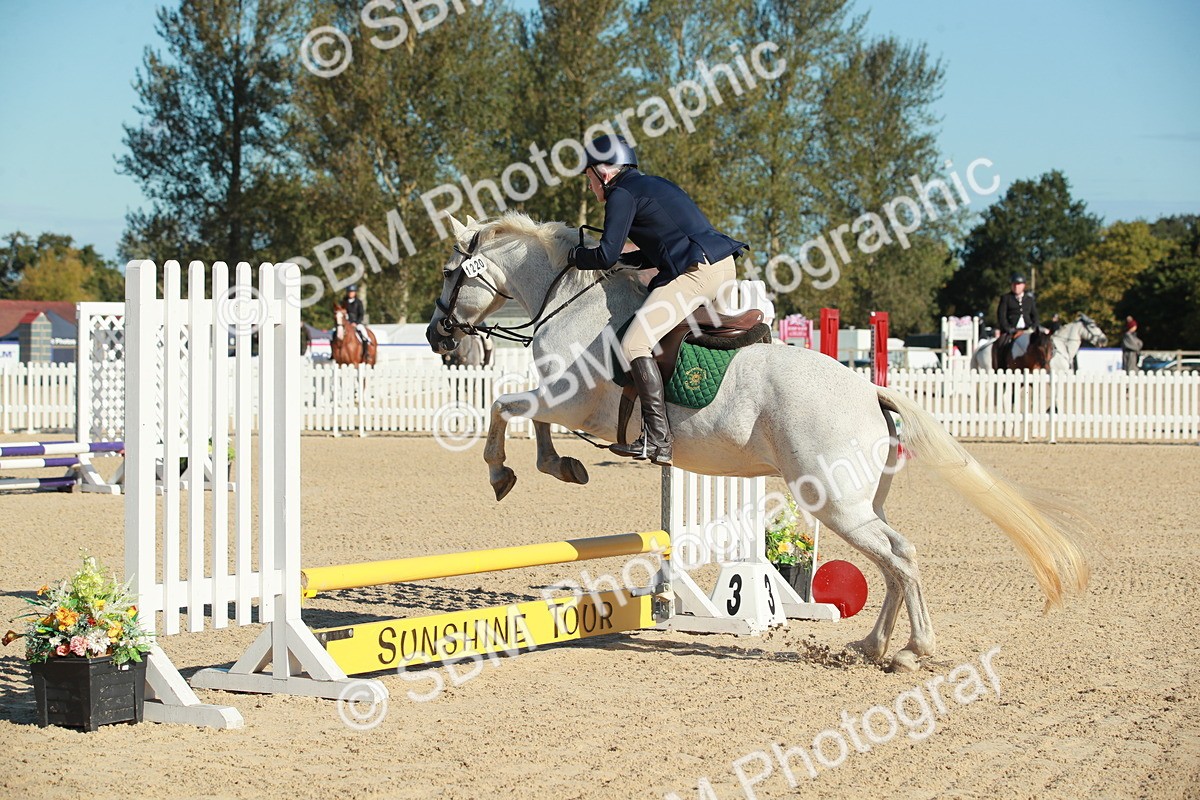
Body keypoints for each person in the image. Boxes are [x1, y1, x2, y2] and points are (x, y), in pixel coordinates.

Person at [567, 134, 747, 466]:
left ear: (604, 172)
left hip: (696, 272)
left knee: (634, 344)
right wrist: (621, 264)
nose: (589, 186)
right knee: (668, 336)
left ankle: (658, 440)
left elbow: (606, 254)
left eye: (588, 176)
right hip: (723, 265)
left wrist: (575, 256)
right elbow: (650, 255)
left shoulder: (620, 193)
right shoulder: (649, 185)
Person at [993, 273, 1039, 369]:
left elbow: (1035, 316)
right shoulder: (1006, 298)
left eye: (1018, 284)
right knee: (1002, 345)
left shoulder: (1029, 299)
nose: (1016, 287)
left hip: (1027, 330)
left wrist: (1033, 327)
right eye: (1014, 284)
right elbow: (1001, 316)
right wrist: (1008, 329)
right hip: (1011, 330)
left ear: (1023, 285)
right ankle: (1001, 367)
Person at [343, 285, 372, 359]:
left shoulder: (358, 302)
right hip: (346, 323)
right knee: (335, 333)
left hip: (357, 322)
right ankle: (333, 354)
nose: (350, 293)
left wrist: (356, 323)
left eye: (352, 292)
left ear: (355, 293)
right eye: (349, 292)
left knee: (364, 334)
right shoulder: (344, 302)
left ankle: (366, 352)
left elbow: (361, 314)